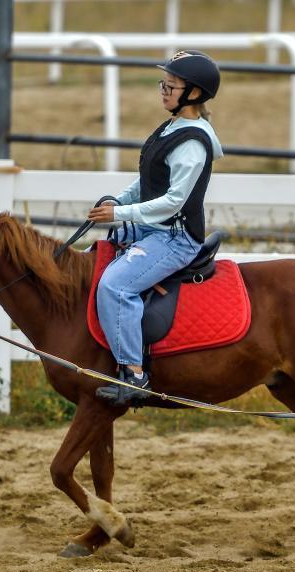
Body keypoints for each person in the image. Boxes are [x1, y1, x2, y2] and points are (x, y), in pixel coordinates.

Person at [89, 50, 223, 405]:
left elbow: (173, 202)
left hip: (175, 238)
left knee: (116, 286)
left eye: (172, 85)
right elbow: (146, 180)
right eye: (163, 83)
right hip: (154, 229)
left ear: (193, 93)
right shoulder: (172, 126)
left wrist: (122, 215)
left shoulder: (192, 143)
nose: (163, 90)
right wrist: (117, 203)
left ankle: (134, 376)